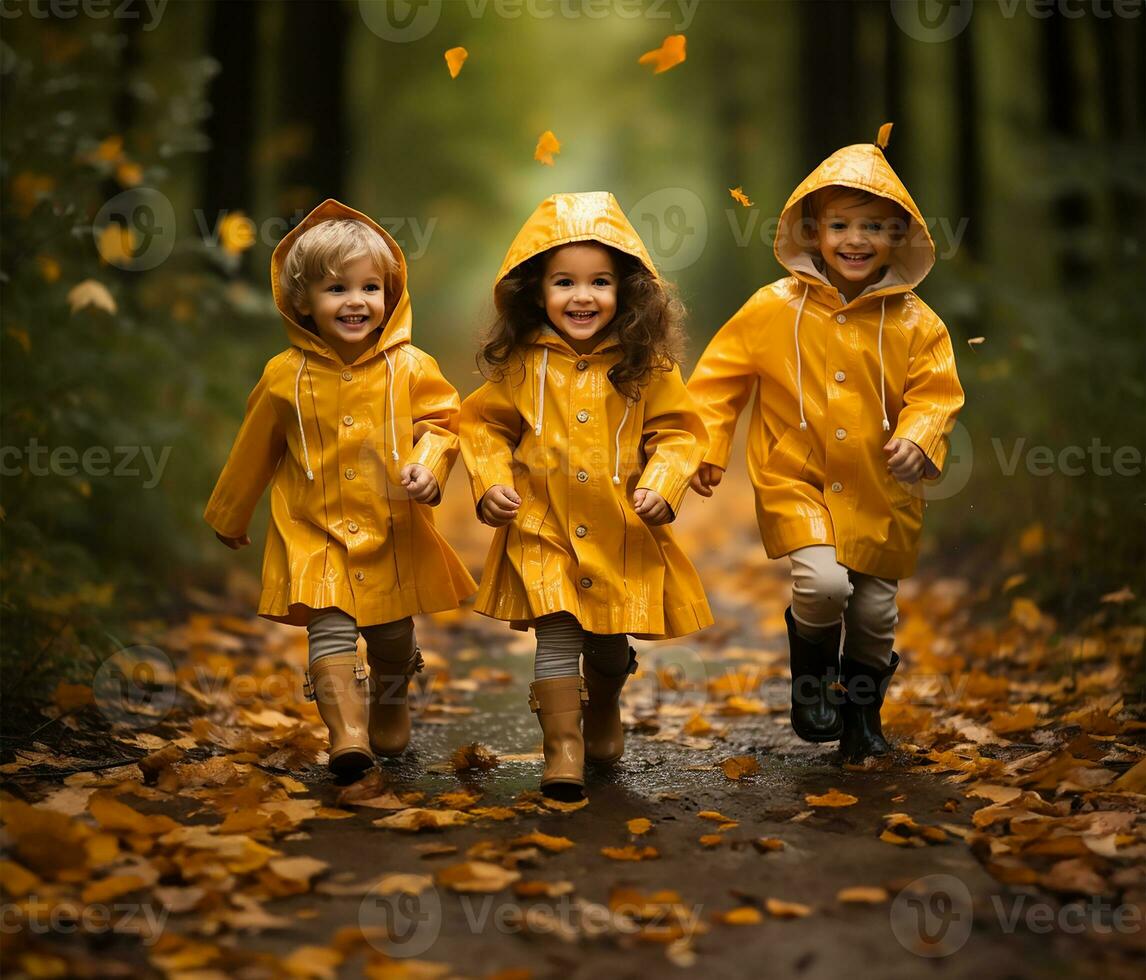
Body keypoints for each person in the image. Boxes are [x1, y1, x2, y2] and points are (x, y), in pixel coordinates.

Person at [688, 125, 965, 763]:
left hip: (881, 485)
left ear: (898, 235)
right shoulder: (771, 308)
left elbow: (938, 394)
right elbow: (718, 379)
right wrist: (706, 449)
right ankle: (812, 681)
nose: (855, 240)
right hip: (796, 476)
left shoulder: (917, 322)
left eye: (873, 227)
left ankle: (862, 715)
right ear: (812, 233)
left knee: (872, 614)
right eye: (840, 226)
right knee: (823, 585)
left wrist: (921, 437)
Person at [205, 199, 476, 776]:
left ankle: (391, 697)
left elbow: (443, 424)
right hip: (311, 525)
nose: (356, 302)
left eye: (370, 288)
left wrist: (428, 467)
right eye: (336, 289)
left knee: (390, 632)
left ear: (390, 296)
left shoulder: (412, 367)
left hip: (391, 526)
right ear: (302, 302)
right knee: (328, 624)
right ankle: (347, 733)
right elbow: (256, 447)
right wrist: (231, 513)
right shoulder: (284, 374)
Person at [459, 191, 712, 799]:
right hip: (540, 524)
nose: (582, 296)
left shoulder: (645, 366)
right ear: (535, 291)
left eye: (600, 281)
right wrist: (491, 481)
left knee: (605, 644)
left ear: (628, 290)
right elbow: (483, 426)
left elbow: (679, 432)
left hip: (619, 530)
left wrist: (663, 483)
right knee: (557, 633)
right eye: (564, 282)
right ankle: (562, 749)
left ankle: (603, 705)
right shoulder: (520, 365)